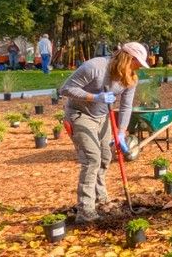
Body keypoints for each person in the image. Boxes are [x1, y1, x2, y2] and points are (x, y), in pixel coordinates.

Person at [59, 42, 149, 223]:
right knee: (92, 159)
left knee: (105, 157)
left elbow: (126, 106)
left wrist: (122, 131)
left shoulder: (130, 77)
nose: (138, 68)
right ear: (128, 58)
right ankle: (85, 210)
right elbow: (65, 89)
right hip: (80, 114)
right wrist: (94, 97)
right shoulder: (94, 67)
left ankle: (100, 198)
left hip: (103, 117)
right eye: (137, 63)